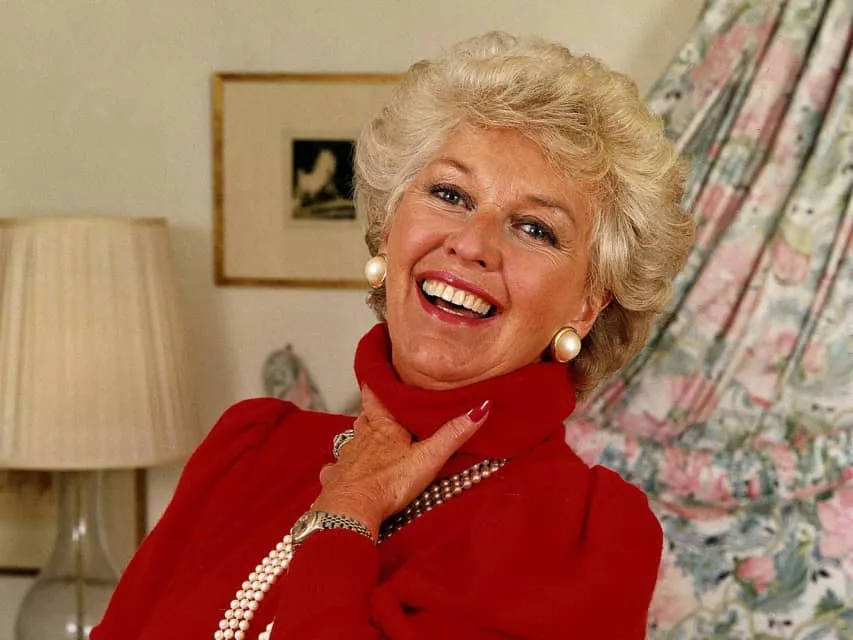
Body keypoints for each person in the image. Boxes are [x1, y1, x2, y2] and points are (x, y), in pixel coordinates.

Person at [93, 31, 693, 639]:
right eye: (450, 194)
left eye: (535, 228)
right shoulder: (249, 450)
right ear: (388, 229)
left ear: (588, 306)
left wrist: (347, 512)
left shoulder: (586, 537)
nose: (471, 243)